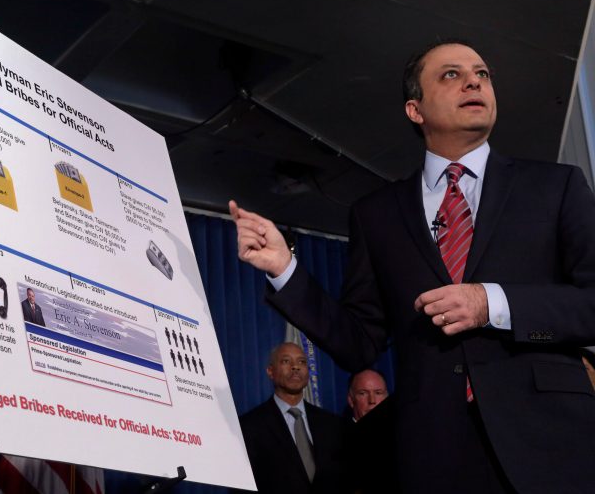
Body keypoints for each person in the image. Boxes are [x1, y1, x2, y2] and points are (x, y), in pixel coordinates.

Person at [230, 40, 595, 493]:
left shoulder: (555, 186)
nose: (474, 82)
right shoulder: (376, 215)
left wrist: (492, 303)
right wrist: (286, 269)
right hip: (433, 455)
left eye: (482, 73)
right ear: (414, 110)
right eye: (451, 74)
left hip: (549, 446)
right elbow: (358, 342)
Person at [237, 342, 350, 494]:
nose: (295, 367)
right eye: (286, 361)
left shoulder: (332, 425)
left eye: (301, 362)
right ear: (270, 371)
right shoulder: (249, 427)